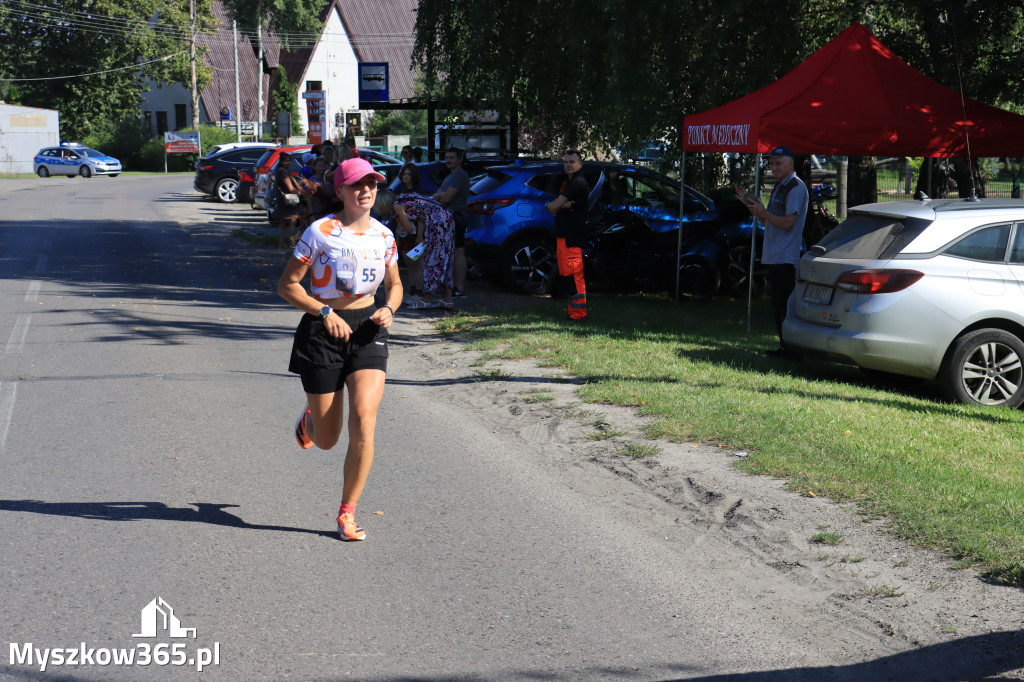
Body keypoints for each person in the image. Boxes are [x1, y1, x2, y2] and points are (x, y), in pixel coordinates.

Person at [277, 157, 403, 542]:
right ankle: (311, 420)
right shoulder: (320, 232)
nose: (366, 191)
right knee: (328, 439)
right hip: (323, 330)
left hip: (367, 329)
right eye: (357, 185)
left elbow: (395, 286)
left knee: (365, 418)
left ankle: (347, 512)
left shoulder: (384, 236)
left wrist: (389, 309)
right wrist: (324, 310)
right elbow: (288, 286)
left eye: (372, 184)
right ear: (343, 191)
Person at [735, 145, 808, 358]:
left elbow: (788, 223)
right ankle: (785, 347)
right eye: (771, 164)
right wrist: (754, 206)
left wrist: (763, 211)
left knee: (784, 304)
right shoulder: (779, 186)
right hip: (775, 253)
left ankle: (792, 350)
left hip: (786, 255)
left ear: (791, 163)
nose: (774, 168)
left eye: (778, 163)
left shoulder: (795, 187)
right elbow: (769, 222)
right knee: (778, 304)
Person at [545, 150, 589, 320]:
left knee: (574, 275)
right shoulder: (569, 182)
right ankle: (574, 311)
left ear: (580, 164)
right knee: (567, 275)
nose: (568, 165)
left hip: (572, 237)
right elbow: (557, 205)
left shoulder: (578, 182)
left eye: (572, 162)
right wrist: (563, 204)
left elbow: (552, 206)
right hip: (564, 236)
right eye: (566, 162)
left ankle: (578, 314)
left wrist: (557, 205)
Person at [432, 147, 470, 296]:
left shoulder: (460, 175)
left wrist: (441, 195)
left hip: (456, 217)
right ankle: (452, 286)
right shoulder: (450, 176)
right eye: (447, 157)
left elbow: (447, 198)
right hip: (446, 217)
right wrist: (441, 195)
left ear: (460, 159)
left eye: (452, 157)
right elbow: (436, 196)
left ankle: (460, 288)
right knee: (450, 253)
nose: (448, 160)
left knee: (458, 251)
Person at [275, 152, 304, 248]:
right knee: (292, 220)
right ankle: (291, 243)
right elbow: (290, 188)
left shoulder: (280, 171)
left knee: (283, 222)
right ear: (281, 162)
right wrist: (299, 192)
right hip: (288, 200)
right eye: (285, 161)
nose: (288, 163)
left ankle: (281, 243)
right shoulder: (283, 172)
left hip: (282, 199)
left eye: (289, 161)